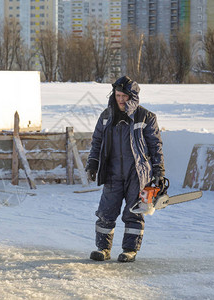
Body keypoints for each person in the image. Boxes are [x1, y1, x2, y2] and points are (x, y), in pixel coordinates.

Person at [85, 75, 165, 262]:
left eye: (124, 96)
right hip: (112, 172)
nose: (120, 99)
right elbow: (97, 142)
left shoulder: (146, 117)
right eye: (117, 95)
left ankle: (130, 250)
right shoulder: (106, 116)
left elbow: (156, 146)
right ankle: (103, 249)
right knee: (106, 211)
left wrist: (159, 170)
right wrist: (93, 163)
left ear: (133, 97)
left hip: (138, 174)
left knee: (134, 213)